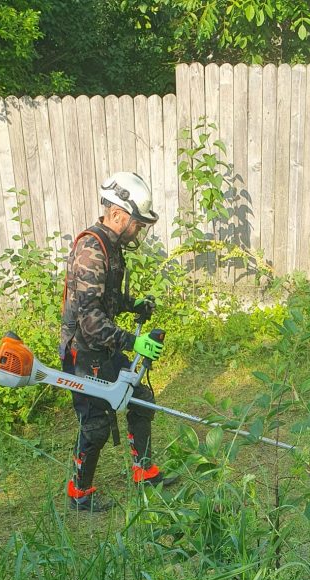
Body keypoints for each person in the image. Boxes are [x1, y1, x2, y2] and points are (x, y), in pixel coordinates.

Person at [60, 170, 176, 511]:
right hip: (84, 352)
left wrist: (133, 304)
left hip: (104, 347)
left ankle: (144, 471)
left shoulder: (111, 246)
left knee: (141, 398)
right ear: (117, 214)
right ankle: (79, 493)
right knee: (96, 424)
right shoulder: (91, 250)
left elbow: (105, 298)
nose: (138, 231)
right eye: (137, 224)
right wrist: (132, 342)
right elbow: (90, 319)